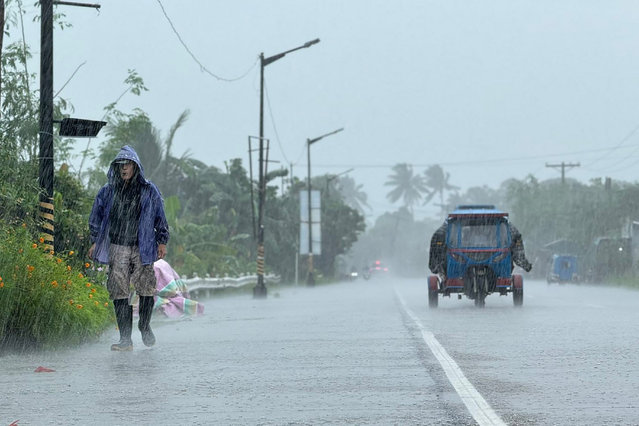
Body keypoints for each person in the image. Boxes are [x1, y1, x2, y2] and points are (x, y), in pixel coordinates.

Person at [88, 145, 170, 351]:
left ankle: (144, 326)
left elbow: (160, 215)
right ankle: (125, 339)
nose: (124, 168)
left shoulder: (148, 190)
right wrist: (95, 240)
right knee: (119, 290)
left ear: (135, 166)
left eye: (127, 164)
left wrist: (162, 240)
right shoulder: (108, 191)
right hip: (117, 245)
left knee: (146, 287)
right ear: (115, 168)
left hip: (142, 245)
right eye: (120, 165)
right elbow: (96, 217)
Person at [428, 220, 532, 276]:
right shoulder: (444, 235)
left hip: (467, 257)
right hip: (487, 256)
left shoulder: (506, 233)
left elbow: (517, 251)